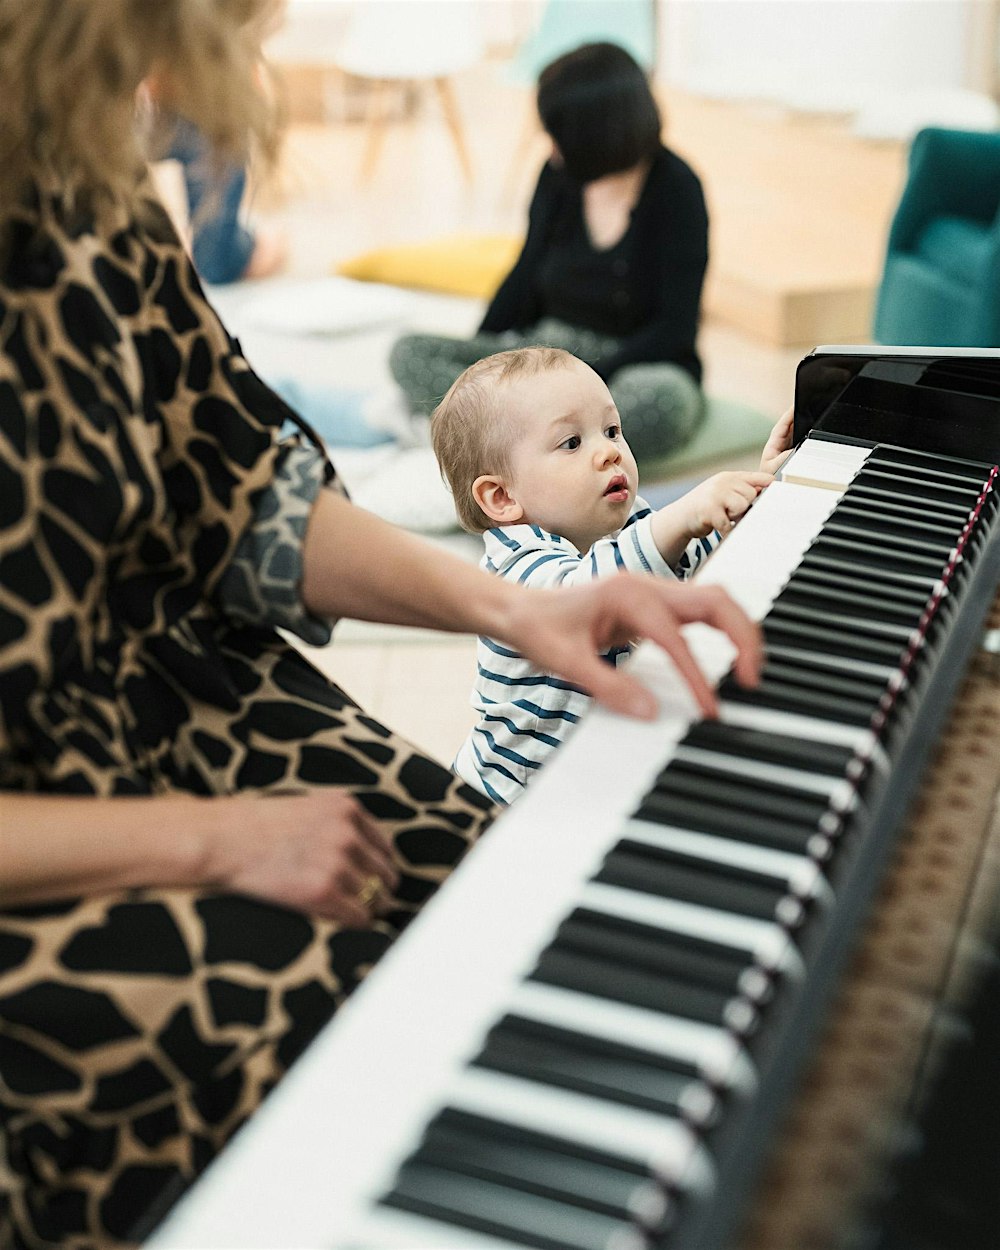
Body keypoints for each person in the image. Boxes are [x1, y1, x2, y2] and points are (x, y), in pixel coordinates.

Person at [0, 3, 763, 1247]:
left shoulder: (83, 168)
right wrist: (209, 840)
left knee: (497, 894)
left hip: (168, 700)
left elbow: (243, 482)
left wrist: (525, 600)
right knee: (312, 998)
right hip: (42, 840)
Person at [431, 347, 791, 804]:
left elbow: (693, 561)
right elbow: (590, 594)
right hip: (502, 806)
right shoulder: (515, 571)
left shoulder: (630, 526)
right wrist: (683, 515)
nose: (609, 453)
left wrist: (752, 498)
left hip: (590, 777)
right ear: (502, 497)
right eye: (571, 443)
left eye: (612, 430)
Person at [389, 40, 710, 467]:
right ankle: (537, 451)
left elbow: (674, 330)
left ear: (594, 134)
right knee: (409, 352)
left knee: (660, 403)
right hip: (545, 351)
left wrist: (579, 383)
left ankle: (497, 445)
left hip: (630, 365)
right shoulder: (558, 177)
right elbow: (525, 276)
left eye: (558, 133)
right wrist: (482, 371)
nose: (551, 145)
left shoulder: (677, 189)